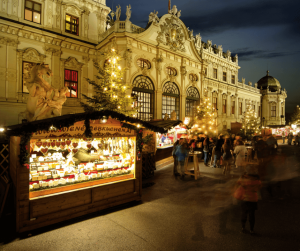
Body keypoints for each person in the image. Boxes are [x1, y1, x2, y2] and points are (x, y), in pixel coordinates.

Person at [237, 167, 262, 234]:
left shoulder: (243, 178)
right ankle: (251, 229)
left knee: (244, 213)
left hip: (244, 198)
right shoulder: (256, 179)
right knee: (252, 214)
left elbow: (238, 183)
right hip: (253, 199)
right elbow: (259, 186)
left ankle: (243, 227)